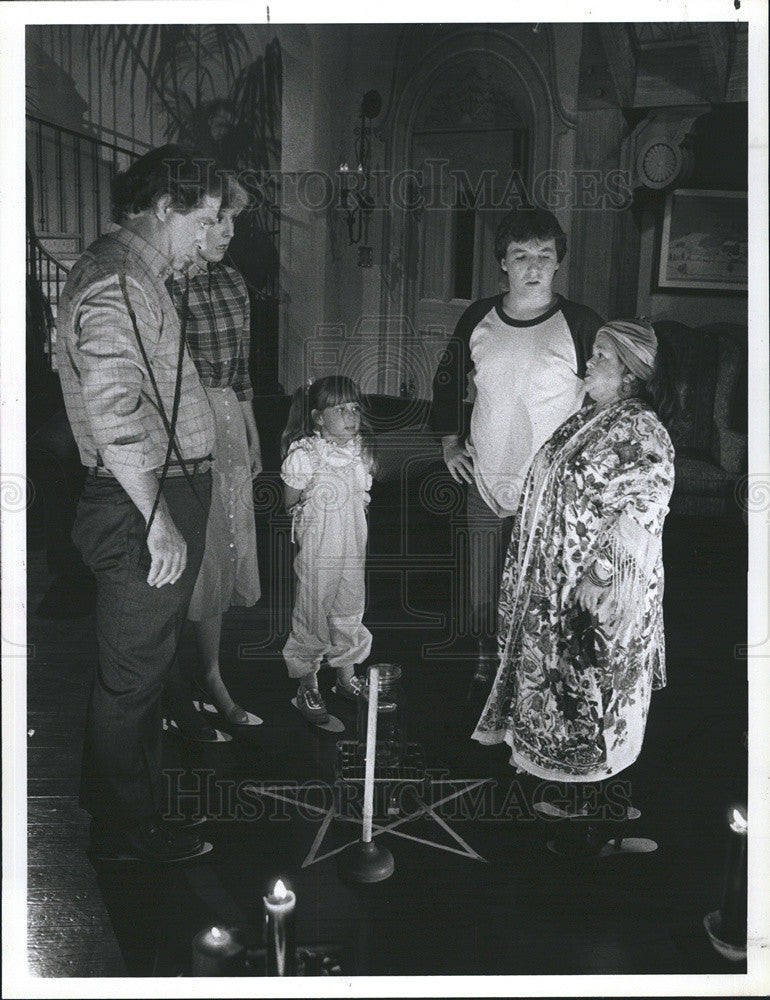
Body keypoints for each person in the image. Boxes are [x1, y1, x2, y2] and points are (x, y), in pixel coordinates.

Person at [57, 145, 222, 863]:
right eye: (206, 218)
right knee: (131, 677)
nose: (210, 237)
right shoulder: (118, 278)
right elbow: (115, 407)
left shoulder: (138, 275)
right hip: (138, 503)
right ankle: (126, 836)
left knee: (143, 670)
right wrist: (158, 519)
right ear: (165, 210)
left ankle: (127, 813)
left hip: (152, 494)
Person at [472, 319, 679, 851]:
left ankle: (592, 814)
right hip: (557, 584)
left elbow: (645, 507)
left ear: (631, 376)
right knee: (563, 686)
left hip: (594, 594)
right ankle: (567, 789)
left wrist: (601, 574)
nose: (589, 363)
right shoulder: (595, 416)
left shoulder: (641, 430)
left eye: (602, 357)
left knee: (594, 691)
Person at [429, 207, 603, 694]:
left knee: (539, 582)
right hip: (485, 473)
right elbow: (448, 377)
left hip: (548, 485)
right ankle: (487, 659)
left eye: (544, 256)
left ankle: (532, 669)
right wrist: (449, 440)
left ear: (557, 262)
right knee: (483, 580)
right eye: (521, 255)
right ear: (503, 262)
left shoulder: (581, 323)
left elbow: (609, 394)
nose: (533, 267)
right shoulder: (478, 317)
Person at [165, 176, 263, 728]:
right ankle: (169, 686)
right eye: (216, 219)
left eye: (233, 221)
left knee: (222, 553)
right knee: (187, 557)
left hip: (225, 419)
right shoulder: (164, 283)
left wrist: (249, 431)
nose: (226, 232)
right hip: (180, 426)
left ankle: (211, 675)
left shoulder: (233, 282)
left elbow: (242, 370)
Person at [280, 376, 376, 724]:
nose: (351, 416)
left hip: (352, 546)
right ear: (319, 417)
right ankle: (307, 684)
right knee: (313, 610)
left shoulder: (359, 452)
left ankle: (346, 679)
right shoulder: (306, 455)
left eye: (354, 408)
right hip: (319, 550)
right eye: (340, 409)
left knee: (349, 605)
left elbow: (362, 496)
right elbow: (290, 501)